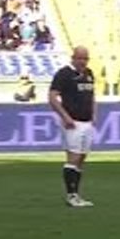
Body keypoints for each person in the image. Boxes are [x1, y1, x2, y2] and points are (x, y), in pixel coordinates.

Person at [49, 46, 96, 207]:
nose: (83, 62)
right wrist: (65, 117)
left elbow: (92, 96)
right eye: (80, 58)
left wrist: (94, 113)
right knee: (73, 157)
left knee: (82, 158)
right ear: (73, 58)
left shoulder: (89, 74)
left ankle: (76, 193)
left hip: (87, 122)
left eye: (86, 59)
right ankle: (71, 195)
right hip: (72, 122)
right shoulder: (64, 74)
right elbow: (52, 97)